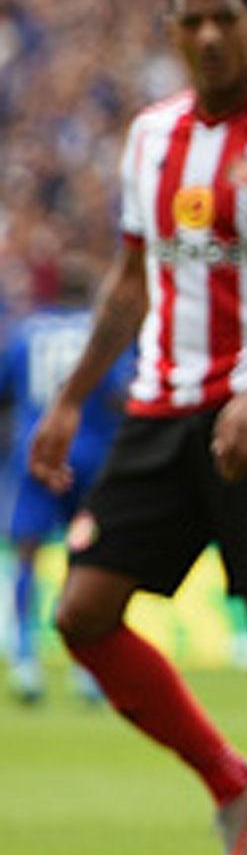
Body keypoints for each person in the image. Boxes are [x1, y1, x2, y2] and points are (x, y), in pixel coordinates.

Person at [30, 0, 247, 855]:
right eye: (192, 22)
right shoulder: (151, 138)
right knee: (83, 614)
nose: (209, 37)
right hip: (160, 408)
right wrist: (73, 398)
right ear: (172, 32)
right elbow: (132, 280)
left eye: (226, 19)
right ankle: (228, 782)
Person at [1, 270, 134, 704]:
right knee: (86, 557)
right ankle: (86, 670)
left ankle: (25, 660)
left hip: (36, 452)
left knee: (27, 553)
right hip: (92, 456)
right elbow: (120, 392)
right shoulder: (102, 334)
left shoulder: (27, 332)